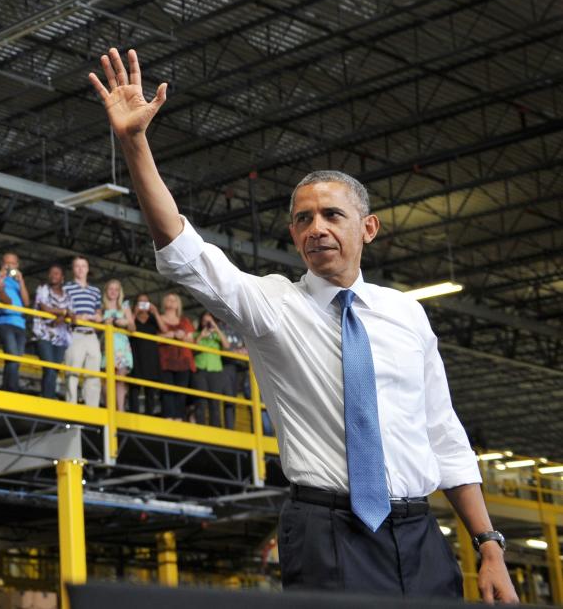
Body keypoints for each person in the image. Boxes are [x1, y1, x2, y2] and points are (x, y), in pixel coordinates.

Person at [90, 47, 516, 601]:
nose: (317, 228)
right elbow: (182, 250)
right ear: (293, 235)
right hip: (326, 533)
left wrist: (488, 545)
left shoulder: (407, 315)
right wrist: (134, 142)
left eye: (332, 215)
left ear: (369, 228)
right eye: (303, 219)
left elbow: (444, 435)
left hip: (419, 534)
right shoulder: (272, 307)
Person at [63, 257, 102, 407]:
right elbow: (64, 308)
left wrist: (97, 317)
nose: (80, 269)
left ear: (87, 269)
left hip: (91, 334)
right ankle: (71, 403)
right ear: (73, 269)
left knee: (93, 372)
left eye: (83, 266)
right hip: (75, 332)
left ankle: (92, 405)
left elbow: (98, 310)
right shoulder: (67, 288)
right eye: (77, 266)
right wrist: (78, 317)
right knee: (73, 369)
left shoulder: (95, 290)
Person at [32, 264, 71, 400]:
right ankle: (48, 397)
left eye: (57, 273)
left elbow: (72, 314)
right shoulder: (42, 289)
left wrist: (63, 315)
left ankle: (47, 395)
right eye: (51, 273)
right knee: (49, 366)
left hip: (61, 338)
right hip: (44, 334)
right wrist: (63, 312)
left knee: (54, 369)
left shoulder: (67, 295)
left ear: (62, 278)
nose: (53, 276)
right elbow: (44, 308)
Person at [0, 253, 30, 393]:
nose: (9, 267)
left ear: (17, 266)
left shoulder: (17, 282)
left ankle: (8, 387)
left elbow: (26, 302)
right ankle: (11, 388)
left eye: (13, 264)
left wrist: (21, 282)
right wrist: (0, 278)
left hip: (20, 323)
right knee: (12, 354)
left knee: (17, 358)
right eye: (7, 263)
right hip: (4, 321)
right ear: (2, 264)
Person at [155, 293, 195, 421]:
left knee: (181, 391)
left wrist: (182, 336)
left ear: (178, 304)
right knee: (167, 390)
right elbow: (153, 338)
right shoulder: (158, 319)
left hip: (183, 361)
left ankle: (179, 417)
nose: (171, 302)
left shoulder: (185, 321)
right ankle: (168, 416)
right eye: (168, 299)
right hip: (165, 361)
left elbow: (192, 340)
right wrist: (170, 335)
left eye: (174, 300)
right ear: (164, 303)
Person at [192, 313, 233, 428]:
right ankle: (200, 426)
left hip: (215, 370)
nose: (207, 323)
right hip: (201, 369)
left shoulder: (217, 336)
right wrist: (201, 335)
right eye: (205, 321)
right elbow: (192, 348)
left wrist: (217, 329)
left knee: (215, 402)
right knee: (201, 401)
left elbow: (227, 346)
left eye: (209, 321)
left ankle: (215, 427)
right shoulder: (197, 334)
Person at [100, 279, 135, 410]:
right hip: (107, 345)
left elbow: (133, 327)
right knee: (107, 379)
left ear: (120, 292)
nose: (113, 292)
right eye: (111, 289)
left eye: (116, 289)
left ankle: (120, 409)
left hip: (122, 346)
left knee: (120, 379)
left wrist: (123, 322)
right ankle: (109, 406)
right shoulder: (101, 306)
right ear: (106, 291)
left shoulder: (124, 306)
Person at [129, 293, 164, 416]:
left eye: (146, 302)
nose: (143, 305)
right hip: (136, 354)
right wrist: (134, 313)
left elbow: (164, 329)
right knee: (134, 387)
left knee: (151, 389)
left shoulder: (153, 319)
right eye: (140, 302)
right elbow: (129, 328)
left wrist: (155, 312)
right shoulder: (132, 317)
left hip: (151, 356)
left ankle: (150, 415)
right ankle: (133, 413)